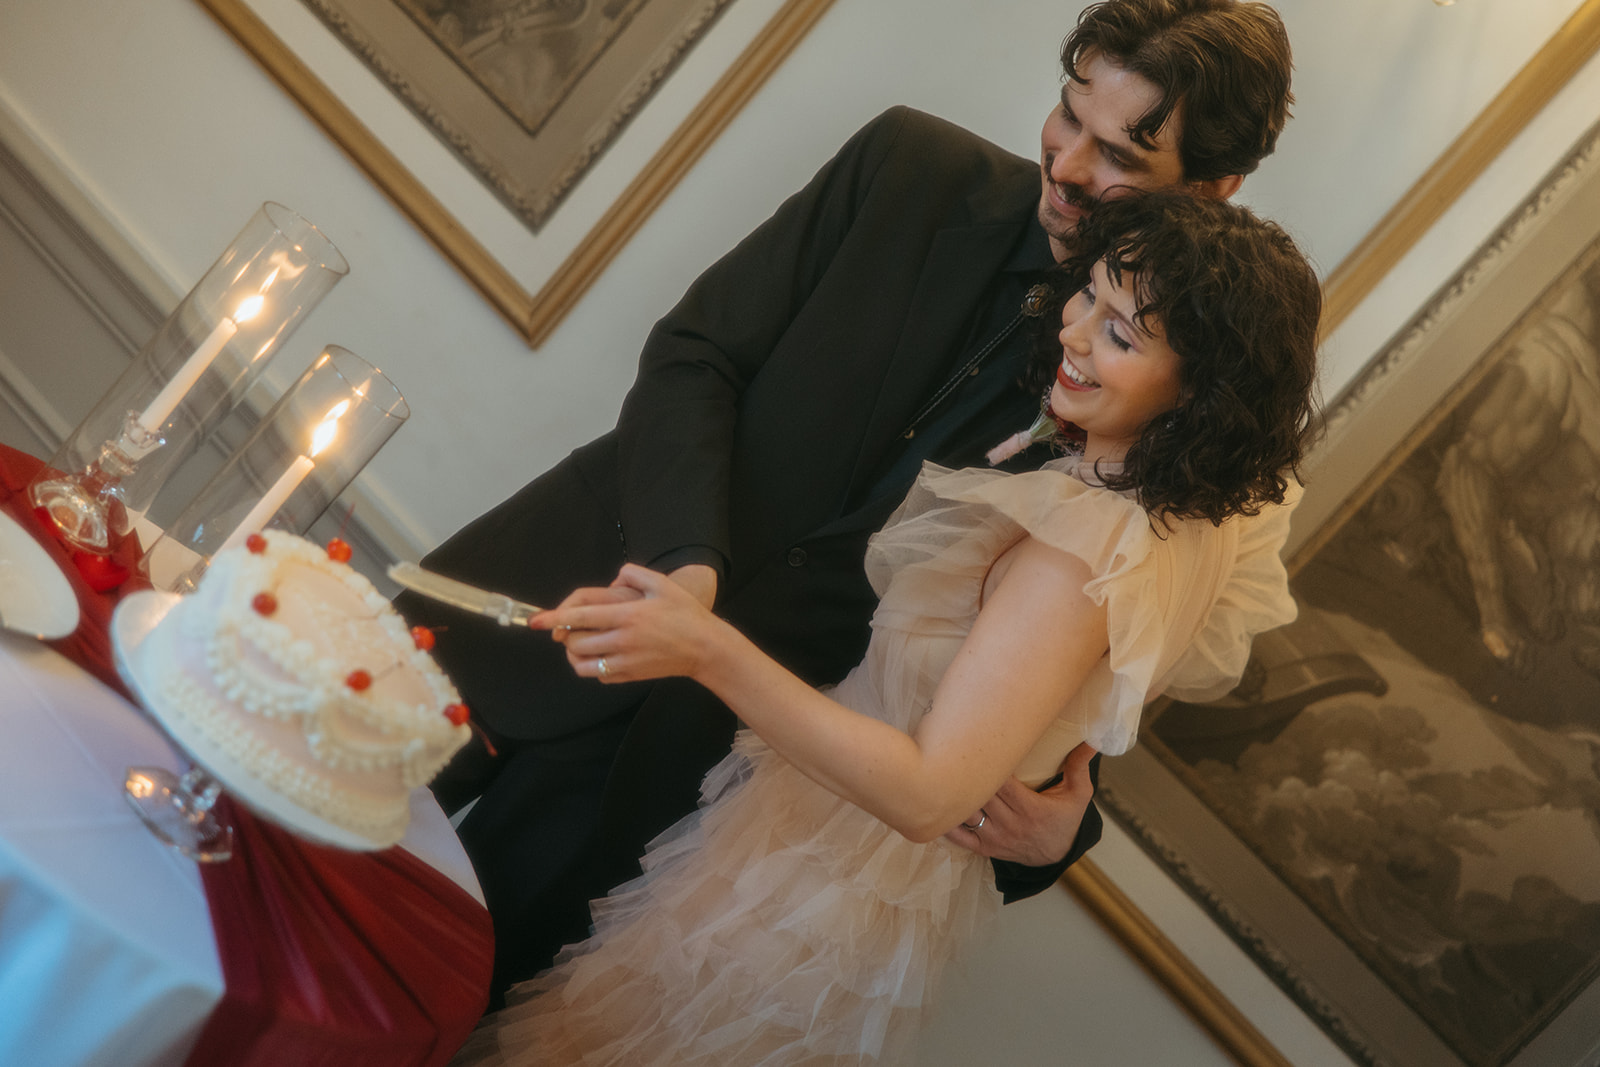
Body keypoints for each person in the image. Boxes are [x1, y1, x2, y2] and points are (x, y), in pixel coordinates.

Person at [396, 0, 1297, 998]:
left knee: (429, 1023)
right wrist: (687, 566)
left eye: (1123, 154)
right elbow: (695, 357)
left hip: (685, 793)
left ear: (1213, 190)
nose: (1071, 164)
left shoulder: (1162, 417)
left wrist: (1052, 836)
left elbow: (1070, 671)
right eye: (1069, 114)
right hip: (530, 610)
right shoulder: (906, 166)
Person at [450, 191, 1322, 1066]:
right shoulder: (1144, 510)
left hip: (809, 901)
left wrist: (706, 647)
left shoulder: (1087, 547)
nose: (1074, 331)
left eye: (1122, 335)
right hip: (794, 861)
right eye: (1087, 293)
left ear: (1197, 395)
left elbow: (931, 794)